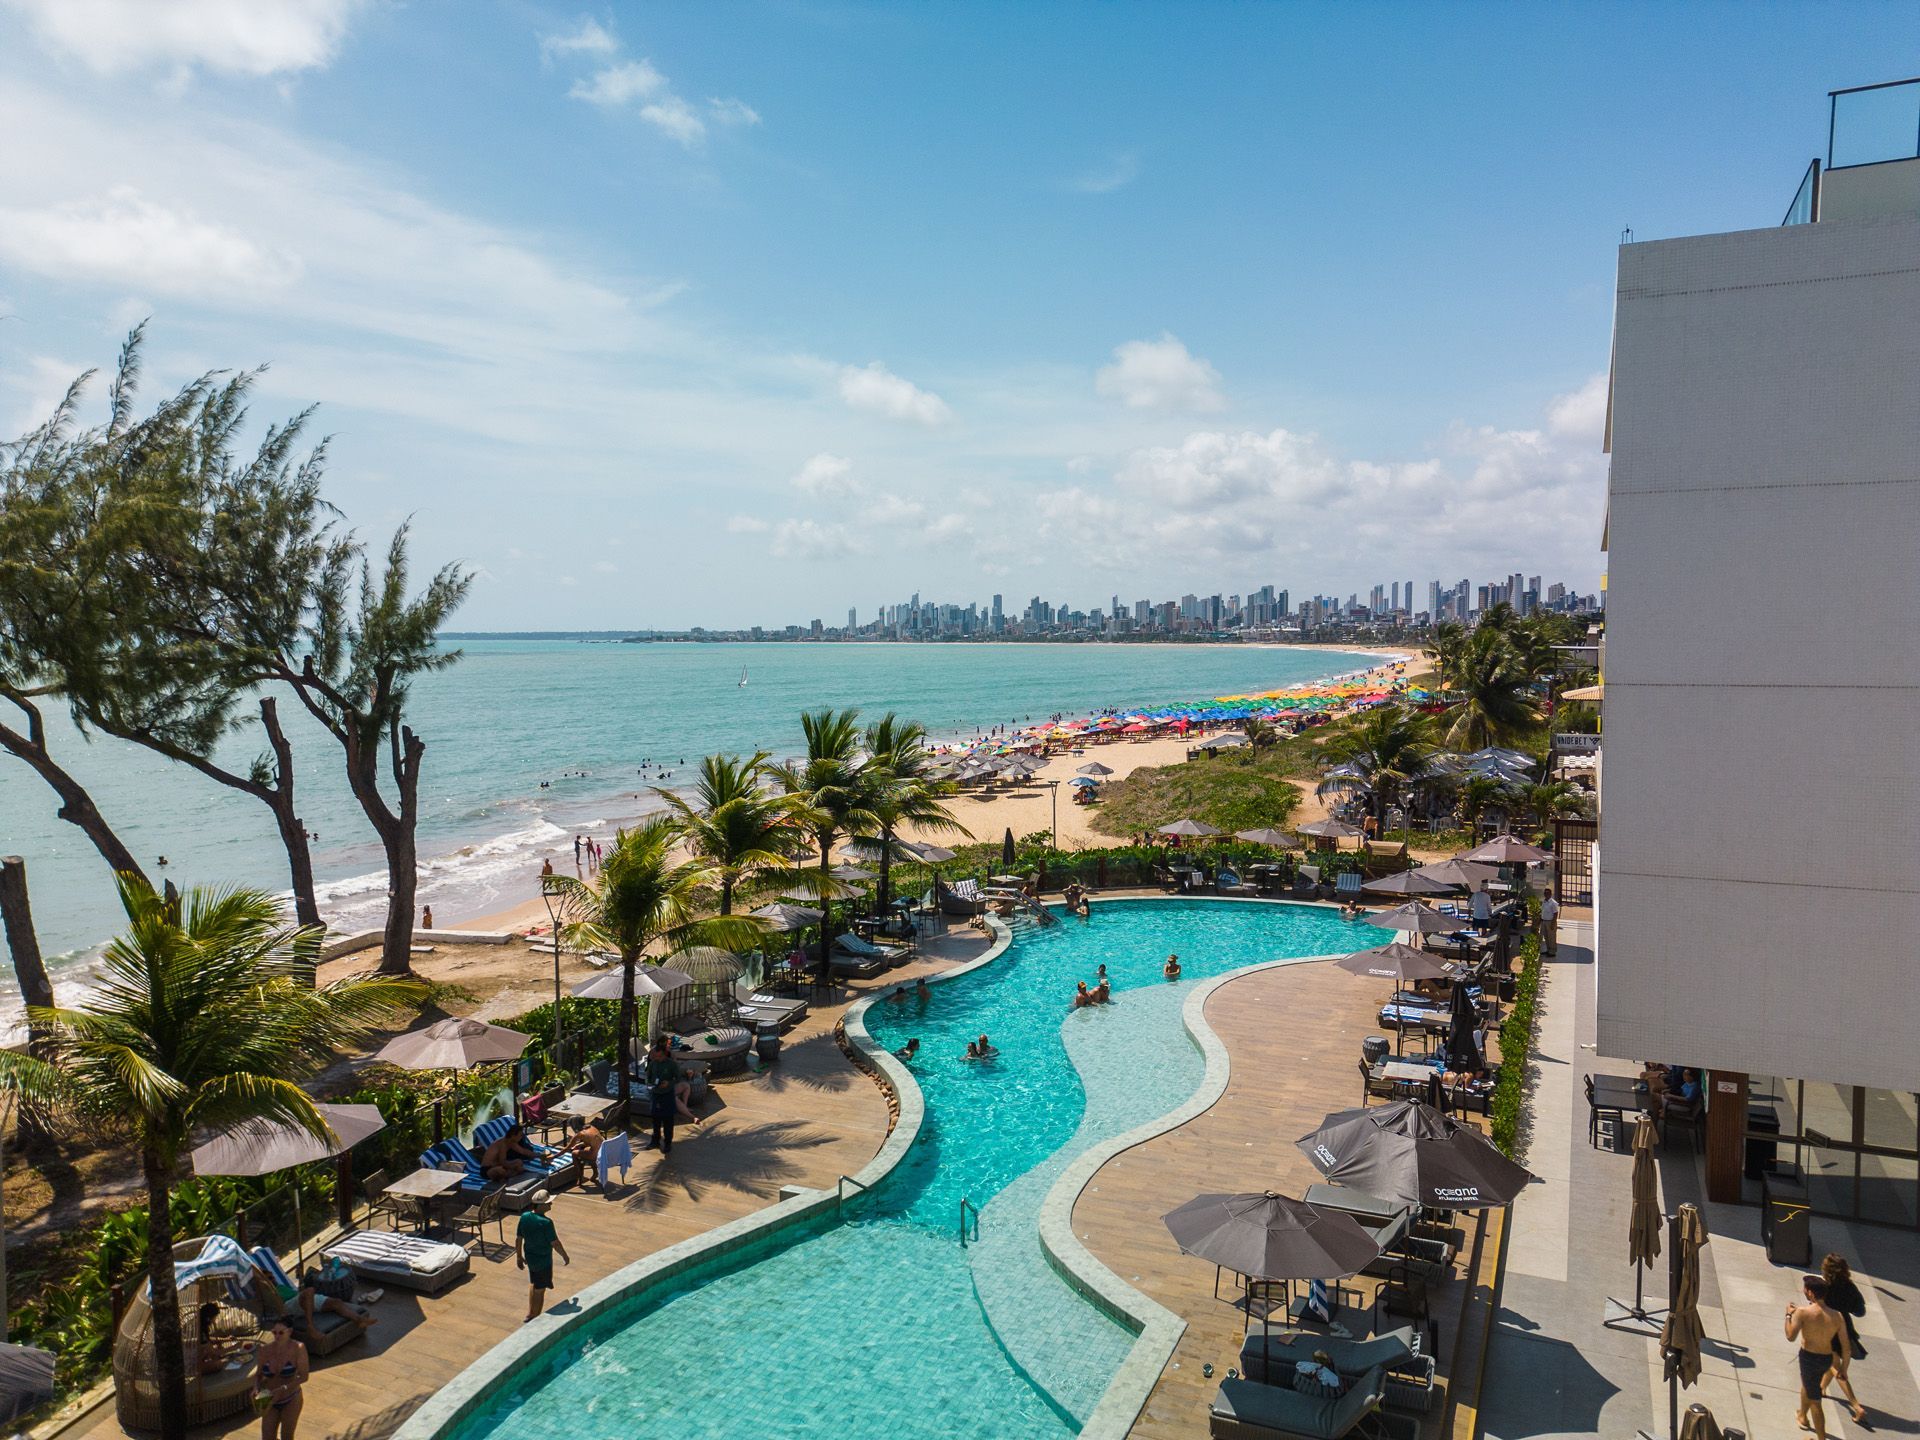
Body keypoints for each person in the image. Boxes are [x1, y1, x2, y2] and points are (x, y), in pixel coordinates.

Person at [1787, 1274, 1848, 1439]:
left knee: (1816, 1401)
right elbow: (1846, 1347)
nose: (1804, 1291)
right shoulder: (1837, 1316)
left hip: (1809, 1358)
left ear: (1810, 1293)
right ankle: (1802, 1416)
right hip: (1826, 1358)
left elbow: (1790, 1336)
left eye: (1805, 1289)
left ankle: (1820, 1437)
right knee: (1809, 1386)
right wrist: (1843, 1369)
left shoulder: (1802, 1312)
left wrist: (1788, 1316)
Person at [1819, 1253, 1869, 1423]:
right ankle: (1822, 1389)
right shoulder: (1850, 1287)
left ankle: (1856, 1406)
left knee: (1835, 1366)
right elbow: (1860, 1311)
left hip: (1829, 1328)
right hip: (1845, 1328)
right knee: (1833, 1362)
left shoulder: (1825, 1287)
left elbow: (1817, 1306)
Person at [515, 1190, 570, 1321]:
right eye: (548, 1202)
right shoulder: (546, 1223)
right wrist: (564, 1256)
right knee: (540, 1289)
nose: (551, 1204)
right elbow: (555, 1243)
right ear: (540, 1205)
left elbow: (518, 1238)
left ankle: (530, 1312)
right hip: (543, 1260)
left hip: (530, 1258)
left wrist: (519, 1256)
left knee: (534, 1283)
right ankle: (535, 1317)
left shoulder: (525, 1217)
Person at [253, 1317, 308, 1440]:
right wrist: (256, 1387)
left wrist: (284, 1388)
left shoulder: (298, 1348)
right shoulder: (265, 1350)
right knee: (267, 1437)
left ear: (290, 1331)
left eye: (281, 1333)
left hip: (291, 1398)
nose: (277, 1336)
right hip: (270, 1399)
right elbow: (258, 1375)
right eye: (274, 1332)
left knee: (287, 1437)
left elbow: (304, 1376)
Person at [643, 1036, 682, 1155]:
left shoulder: (671, 1065)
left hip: (667, 1095)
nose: (657, 1058)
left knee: (668, 1121)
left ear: (665, 1054)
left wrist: (669, 1083)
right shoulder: (653, 1064)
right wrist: (650, 1085)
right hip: (656, 1094)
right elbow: (647, 1077)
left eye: (660, 1056)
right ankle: (655, 1140)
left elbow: (678, 1078)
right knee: (655, 1119)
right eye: (656, 1056)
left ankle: (668, 1142)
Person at [197, 1302, 242, 1375]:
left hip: (200, 1356)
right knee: (219, 1364)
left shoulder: (199, 1324)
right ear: (208, 1318)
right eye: (214, 1318)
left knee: (217, 1350)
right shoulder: (199, 1330)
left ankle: (214, 1361)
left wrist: (226, 1339)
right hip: (193, 1365)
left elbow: (208, 1341)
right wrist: (234, 1347)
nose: (214, 1320)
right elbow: (213, 1351)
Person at [565, 1116, 604, 1186]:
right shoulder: (592, 1127)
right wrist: (580, 1144)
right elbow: (592, 1141)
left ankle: (580, 1176)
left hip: (594, 1155)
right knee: (586, 1149)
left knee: (574, 1153)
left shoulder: (580, 1134)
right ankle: (595, 1173)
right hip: (602, 1151)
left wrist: (553, 1157)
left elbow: (566, 1149)